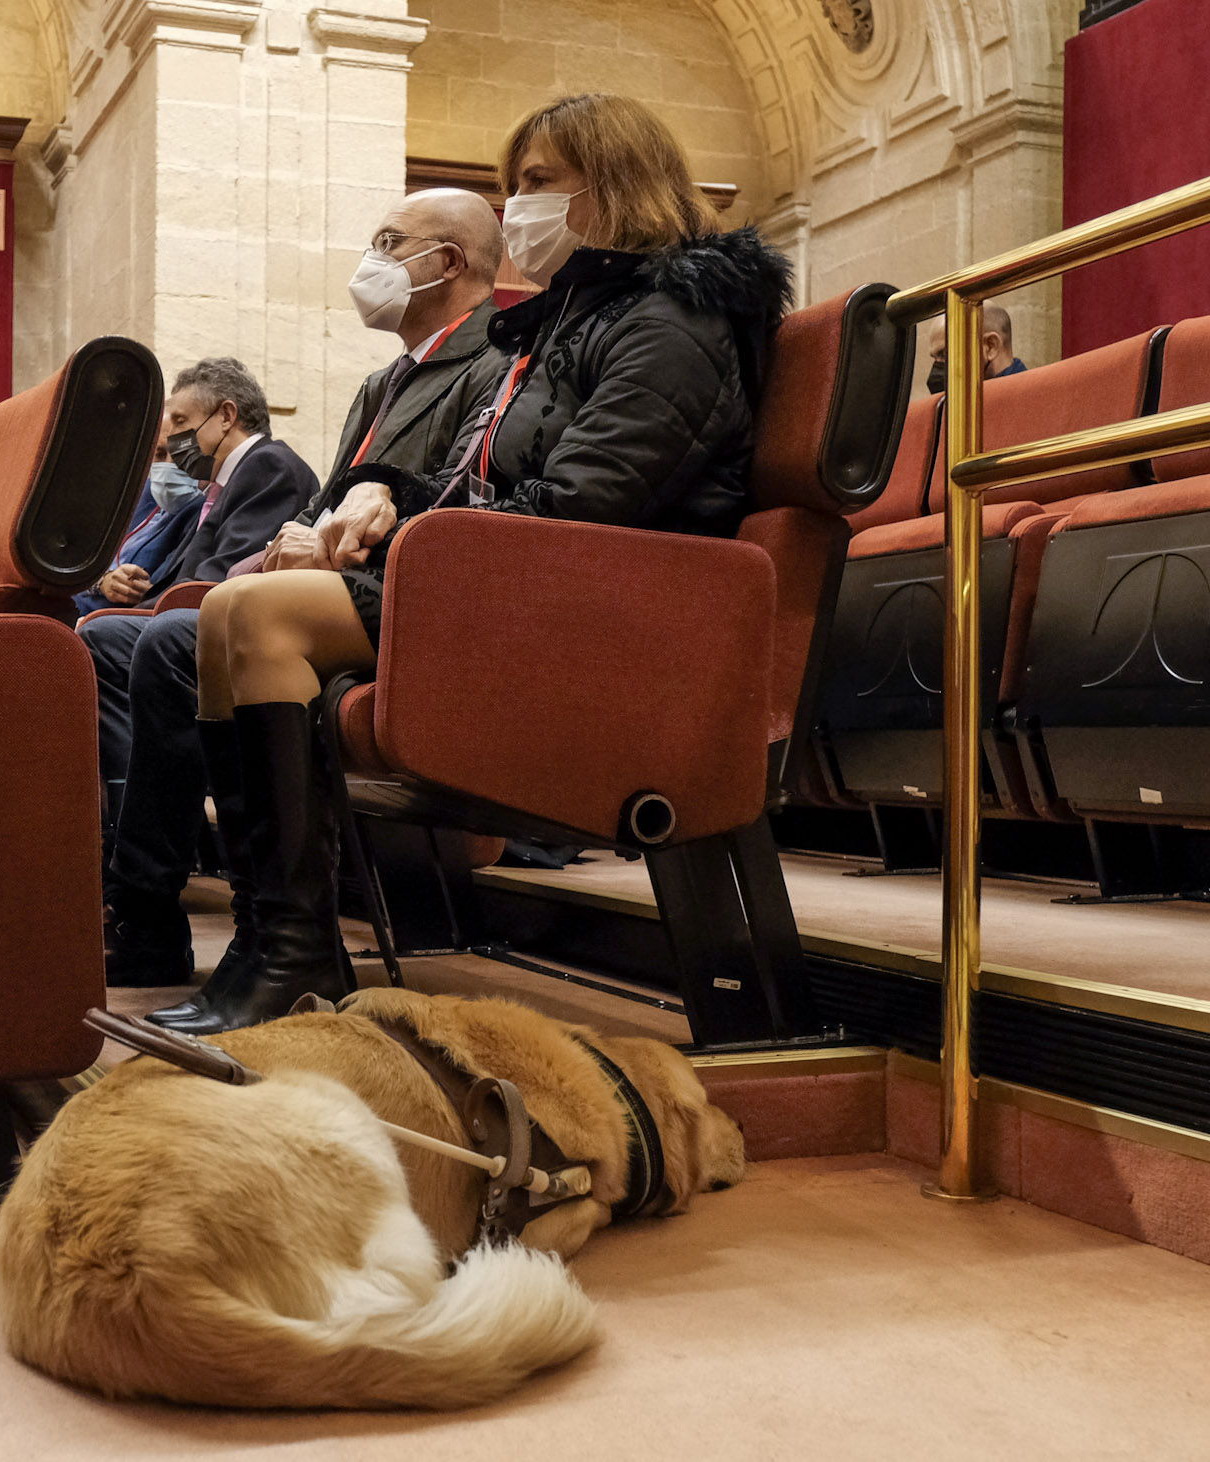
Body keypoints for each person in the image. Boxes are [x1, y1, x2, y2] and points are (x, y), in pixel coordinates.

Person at [180, 92, 794, 1032]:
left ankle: (297, 950)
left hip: (601, 612)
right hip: (518, 575)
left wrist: (419, 536)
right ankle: (273, 938)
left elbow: (589, 502)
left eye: (538, 183)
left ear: (615, 185)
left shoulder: (676, 318)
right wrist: (390, 498)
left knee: (261, 617)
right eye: (510, 188)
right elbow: (484, 477)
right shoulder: (565, 322)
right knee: (227, 613)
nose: (516, 211)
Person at [136, 187, 511, 1019]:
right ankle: (258, 931)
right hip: (351, 577)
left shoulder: (496, 360)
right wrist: (290, 541)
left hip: (412, 588)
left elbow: (459, 493)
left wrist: (343, 535)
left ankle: (279, 942)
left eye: (389, 241)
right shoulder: (383, 381)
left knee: (198, 631)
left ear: (447, 262)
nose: (370, 259)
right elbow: (329, 503)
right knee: (184, 629)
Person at [79, 358, 315, 891]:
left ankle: (130, 852)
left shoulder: (269, 465)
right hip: (202, 616)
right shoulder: (219, 488)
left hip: (244, 629)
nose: (177, 444)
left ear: (226, 415)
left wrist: (132, 611)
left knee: (108, 638)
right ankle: (118, 844)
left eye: (182, 426)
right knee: (101, 634)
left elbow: (223, 577)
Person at [74, 434, 204, 618]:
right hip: (77, 599)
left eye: (180, 455)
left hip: (104, 618)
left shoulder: (200, 510)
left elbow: (157, 591)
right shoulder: (142, 491)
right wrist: (102, 580)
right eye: (159, 454)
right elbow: (80, 556)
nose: (167, 466)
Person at [924, 304, 1025, 393]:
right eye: (935, 358)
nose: (937, 370)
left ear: (990, 346)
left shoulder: (1031, 401)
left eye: (946, 354)